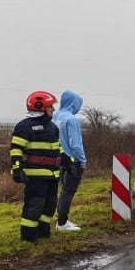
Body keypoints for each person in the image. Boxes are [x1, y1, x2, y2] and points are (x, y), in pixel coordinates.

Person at [10, 91, 61, 242]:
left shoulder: (52, 127)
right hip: (35, 175)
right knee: (34, 205)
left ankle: (43, 233)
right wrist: (17, 169)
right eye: (50, 106)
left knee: (50, 205)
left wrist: (69, 161)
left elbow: (59, 148)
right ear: (40, 107)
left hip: (52, 175)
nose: (53, 109)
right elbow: (15, 149)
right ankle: (28, 237)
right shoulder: (24, 126)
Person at [53, 90, 86, 232]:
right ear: (74, 103)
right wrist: (82, 160)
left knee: (59, 191)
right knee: (68, 191)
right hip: (72, 161)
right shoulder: (71, 120)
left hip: (56, 159)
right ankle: (62, 223)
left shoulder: (54, 116)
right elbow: (75, 144)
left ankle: (60, 220)